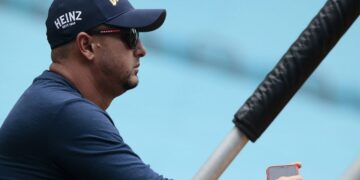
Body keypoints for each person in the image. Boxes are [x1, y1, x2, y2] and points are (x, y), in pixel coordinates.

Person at [0, 0, 302, 179]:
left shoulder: (54, 106)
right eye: (130, 36)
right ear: (87, 45)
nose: (141, 49)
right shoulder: (65, 113)